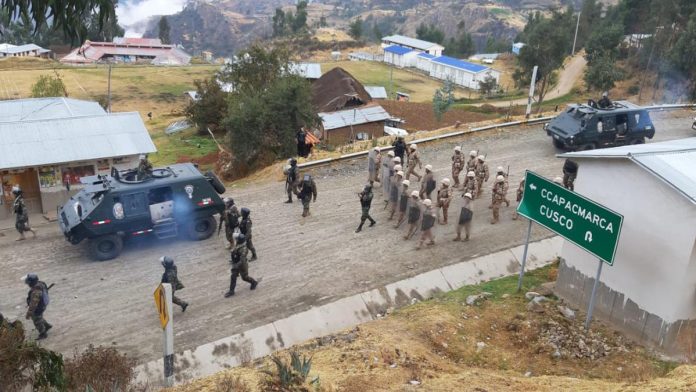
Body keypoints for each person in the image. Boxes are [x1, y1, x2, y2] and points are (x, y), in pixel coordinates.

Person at [23, 273, 52, 340]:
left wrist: (29, 314)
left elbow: (33, 304)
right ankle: (47, 326)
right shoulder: (41, 284)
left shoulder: (36, 292)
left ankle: (43, 333)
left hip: (39, 307)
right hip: (43, 304)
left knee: (36, 319)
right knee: (39, 316)